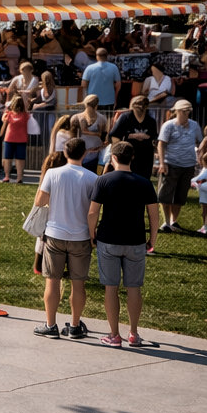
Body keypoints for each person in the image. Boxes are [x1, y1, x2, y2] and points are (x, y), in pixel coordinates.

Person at [89, 141, 159, 347]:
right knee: (134, 288)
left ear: (113, 157)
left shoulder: (103, 181)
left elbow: (93, 212)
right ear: (132, 158)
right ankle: (134, 333)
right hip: (135, 241)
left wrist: (91, 234)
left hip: (108, 240)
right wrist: (152, 239)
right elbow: (154, 216)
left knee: (111, 287)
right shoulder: (145, 182)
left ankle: (114, 334)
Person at [33, 137, 98, 339]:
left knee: (52, 282)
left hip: (54, 234)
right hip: (81, 236)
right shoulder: (92, 177)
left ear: (65, 151)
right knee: (78, 284)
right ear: (85, 153)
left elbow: (39, 201)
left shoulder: (53, 173)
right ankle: (75, 325)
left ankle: (51, 324)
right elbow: (94, 210)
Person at [155, 99, 200, 231]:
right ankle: (166, 222)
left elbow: (199, 142)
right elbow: (161, 144)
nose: (186, 113)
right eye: (183, 111)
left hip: (188, 165)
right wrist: (162, 163)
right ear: (177, 111)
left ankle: (174, 222)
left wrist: (200, 157)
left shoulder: (194, 125)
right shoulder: (168, 125)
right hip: (171, 163)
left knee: (180, 195)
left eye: (188, 111)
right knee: (165, 194)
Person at [108, 94, 157, 178]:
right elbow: (114, 135)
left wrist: (147, 137)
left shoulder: (151, 121)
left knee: (144, 180)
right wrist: (119, 152)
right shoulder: (125, 117)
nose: (140, 107)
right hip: (128, 156)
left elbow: (154, 137)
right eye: (137, 105)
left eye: (143, 105)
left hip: (145, 156)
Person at [2, 94, 32, 183]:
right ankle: (19, 178)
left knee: (7, 158)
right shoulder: (26, 115)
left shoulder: (8, 114)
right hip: (22, 139)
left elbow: (3, 120)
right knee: (20, 159)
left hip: (9, 138)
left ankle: (7, 176)